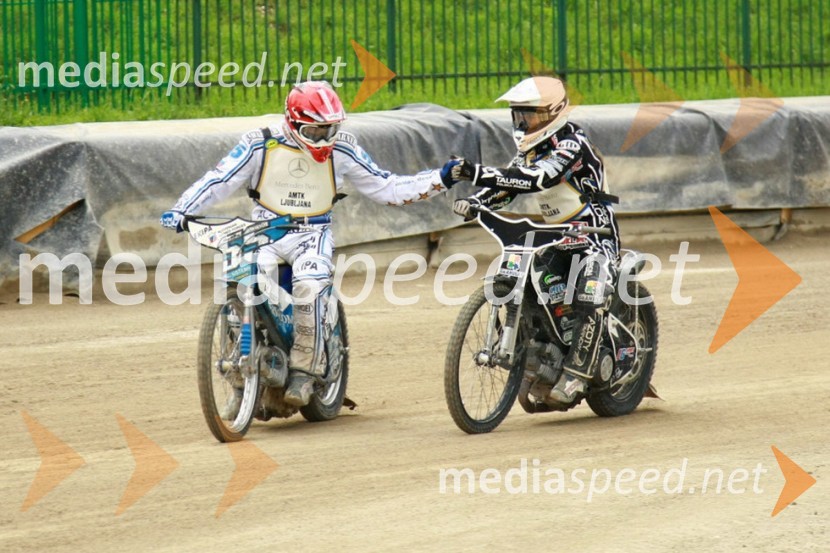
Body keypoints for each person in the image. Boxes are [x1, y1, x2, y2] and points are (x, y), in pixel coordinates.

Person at [161, 81, 460, 411]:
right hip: (264, 229)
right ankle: (238, 382)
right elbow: (219, 179)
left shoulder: (343, 149)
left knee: (309, 285)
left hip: (313, 234)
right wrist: (182, 209)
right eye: (314, 131)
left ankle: (306, 369)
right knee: (240, 281)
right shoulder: (260, 143)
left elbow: (386, 187)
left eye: (330, 129)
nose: (324, 139)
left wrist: (440, 179)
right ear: (292, 121)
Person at [448, 76, 620, 404]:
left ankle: (577, 374)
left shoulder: (572, 144)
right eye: (519, 115)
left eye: (532, 115)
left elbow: (538, 179)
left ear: (554, 112)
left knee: (589, 293)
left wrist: (475, 171)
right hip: (555, 237)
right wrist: (478, 201)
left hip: (593, 234)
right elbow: (508, 185)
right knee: (530, 285)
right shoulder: (529, 151)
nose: (524, 122)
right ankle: (541, 358)